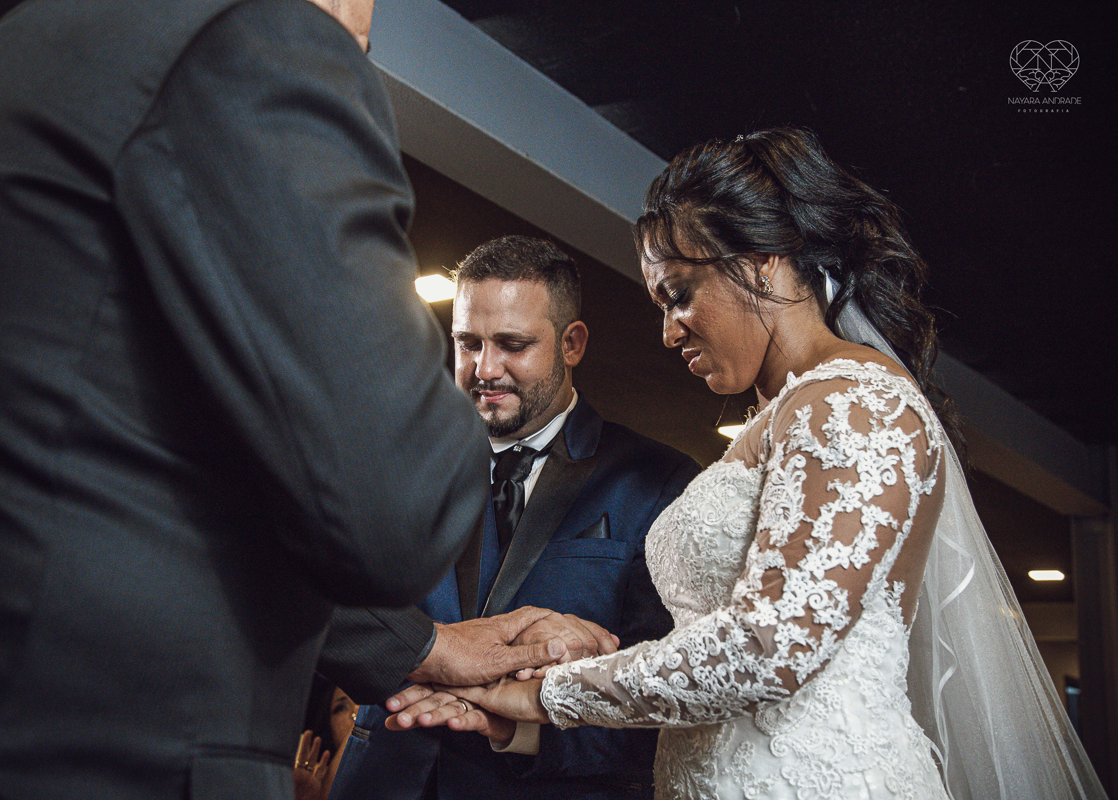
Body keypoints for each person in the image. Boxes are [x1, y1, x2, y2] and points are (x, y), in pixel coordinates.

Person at [393, 129, 1108, 799]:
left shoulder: (856, 405)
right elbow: (713, 643)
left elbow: (767, 646)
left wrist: (548, 691)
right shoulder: (780, 419)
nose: (668, 331)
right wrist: (540, 681)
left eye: (679, 296)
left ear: (762, 263)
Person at [0, 0, 490, 798]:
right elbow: (397, 504)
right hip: (111, 757)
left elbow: (132, 469)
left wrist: (418, 648)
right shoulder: (253, 38)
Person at [324, 236, 701, 800]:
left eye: (512, 344)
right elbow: (326, 603)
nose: (484, 368)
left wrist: (517, 727)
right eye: (467, 342)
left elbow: (663, 703)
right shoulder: (389, 458)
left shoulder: (658, 481)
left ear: (572, 344)